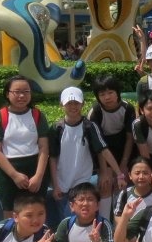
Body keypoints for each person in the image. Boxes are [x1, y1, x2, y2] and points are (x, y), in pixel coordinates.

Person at [48, 86, 123, 228]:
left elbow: (103, 150)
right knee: (65, 222)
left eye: (76, 103)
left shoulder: (89, 126)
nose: (73, 106)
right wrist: (56, 184)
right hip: (62, 183)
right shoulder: (56, 128)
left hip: (81, 181)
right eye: (69, 103)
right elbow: (52, 157)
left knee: (80, 218)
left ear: (82, 104)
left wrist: (118, 173)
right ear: (61, 105)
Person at [0, 76, 50, 219]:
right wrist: (14, 175)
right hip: (8, 173)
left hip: (34, 169)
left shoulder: (37, 116)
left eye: (26, 91)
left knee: (36, 211)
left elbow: (44, 147)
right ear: (7, 93)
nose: (22, 96)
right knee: (11, 214)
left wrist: (38, 176)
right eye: (17, 92)